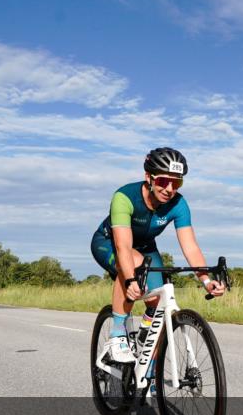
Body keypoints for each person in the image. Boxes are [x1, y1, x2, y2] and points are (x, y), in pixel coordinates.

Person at [90, 147, 225, 363]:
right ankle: (117, 334)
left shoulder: (179, 204)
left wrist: (206, 280)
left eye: (177, 183)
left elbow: (190, 246)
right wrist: (131, 279)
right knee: (132, 265)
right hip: (109, 243)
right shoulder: (124, 196)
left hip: (146, 249)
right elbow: (123, 246)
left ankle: (149, 372)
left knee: (157, 303)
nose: (170, 189)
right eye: (163, 181)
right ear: (149, 177)